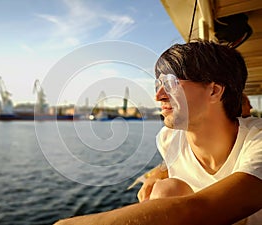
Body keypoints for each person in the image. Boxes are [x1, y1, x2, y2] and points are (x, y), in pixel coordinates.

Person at [54, 40, 262, 225]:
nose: (158, 96)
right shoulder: (168, 139)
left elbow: (202, 208)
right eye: (159, 84)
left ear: (214, 91)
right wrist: (159, 172)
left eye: (171, 84)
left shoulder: (257, 140)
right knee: (167, 189)